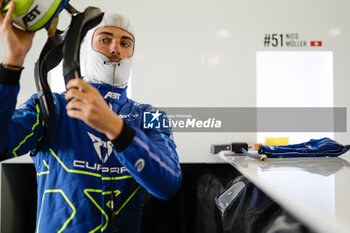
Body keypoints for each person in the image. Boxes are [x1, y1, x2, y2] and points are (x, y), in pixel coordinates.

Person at [0, 1, 182, 232]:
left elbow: (168, 184)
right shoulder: (50, 105)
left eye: (125, 43)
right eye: (105, 39)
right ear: (86, 49)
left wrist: (116, 128)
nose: (115, 49)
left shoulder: (152, 115)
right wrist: (12, 62)